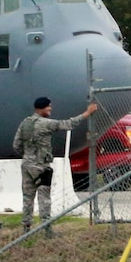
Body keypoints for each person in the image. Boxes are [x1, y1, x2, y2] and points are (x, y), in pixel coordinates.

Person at [14, 96, 98, 234]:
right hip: (41, 166)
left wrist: (28, 156)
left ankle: (26, 228)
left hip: (27, 165)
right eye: (48, 107)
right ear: (42, 108)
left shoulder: (25, 123)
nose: (50, 109)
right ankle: (47, 229)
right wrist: (87, 113)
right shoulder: (46, 124)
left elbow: (16, 145)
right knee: (44, 198)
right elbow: (68, 124)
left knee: (27, 197)